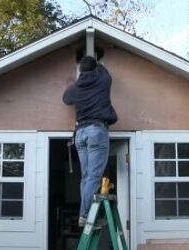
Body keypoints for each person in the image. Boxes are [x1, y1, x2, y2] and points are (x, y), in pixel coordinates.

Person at [63, 56, 117, 227]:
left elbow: (66, 98)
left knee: (86, 177)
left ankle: (84, 215)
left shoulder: (77, 87)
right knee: (93, 176)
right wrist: (99, 64)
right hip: (96, 131)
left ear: (81, 71)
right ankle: (85, 215)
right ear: (94, 68)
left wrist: (78, 81)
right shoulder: (102, 81)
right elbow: (106, 73)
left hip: (80, 134)